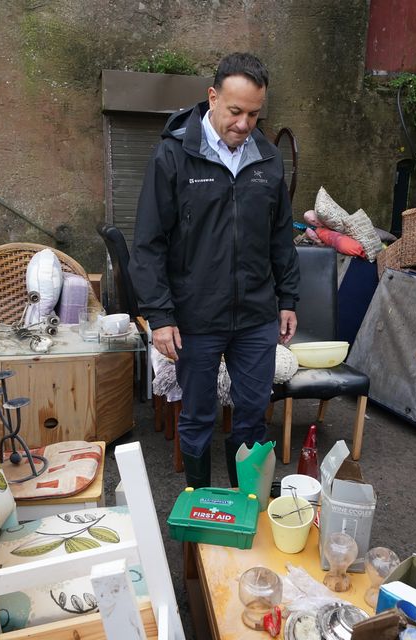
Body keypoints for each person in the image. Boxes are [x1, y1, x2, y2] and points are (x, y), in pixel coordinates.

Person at [130, 52, 300, 489]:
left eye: (255, 113)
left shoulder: (266, 159)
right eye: (236, 111)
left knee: (251, 416)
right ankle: (202, 512)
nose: (245, 124)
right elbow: (148, 243)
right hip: (196, 317)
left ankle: (246, 507)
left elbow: (280, 236)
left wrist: (289, 299)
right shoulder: (173, 156)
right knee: (198, 415)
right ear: (212, 98)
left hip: (256, 316)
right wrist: (161, 316)